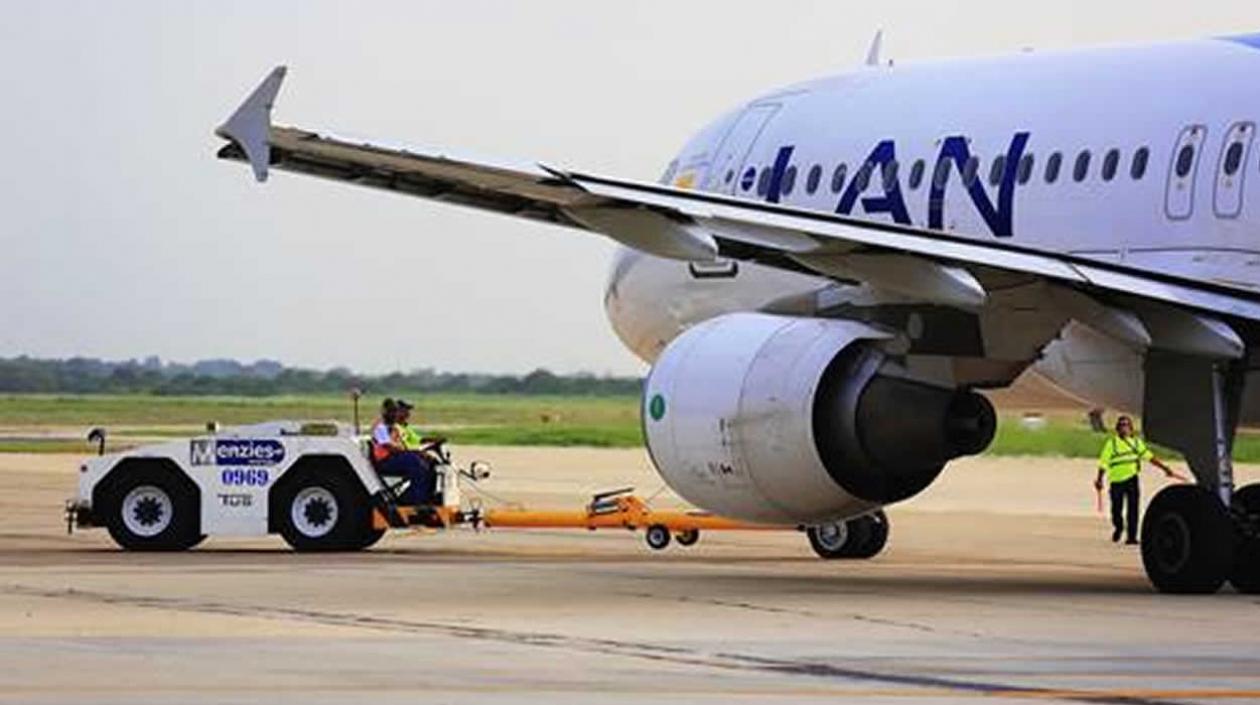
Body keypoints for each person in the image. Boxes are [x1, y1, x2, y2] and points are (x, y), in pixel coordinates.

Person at [1094, 415, 1188, 544]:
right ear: (1118, 429)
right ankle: (1119, 527)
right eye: (1122, 426)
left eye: (1127, 425)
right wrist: (1099, 479)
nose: (1125, 428)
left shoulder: (1136, 443)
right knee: (1116, 509)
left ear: (1131, 428)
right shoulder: (1112, 444)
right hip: (1116, 481)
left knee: (1133, 508)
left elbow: (1149, 457)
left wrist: (1165, 468)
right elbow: (1103, 463)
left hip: (1132, 479)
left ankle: (1131, 537)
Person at [370, 398, 435, 505]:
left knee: (427, 463)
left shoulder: (394, 427)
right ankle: (415, 501)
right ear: (384, 412)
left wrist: (419, 453)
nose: (394, 414)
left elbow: (403, 445)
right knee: (414, 463)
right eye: (391, 411)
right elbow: (388, 446)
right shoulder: (380, 427)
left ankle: (423, 497)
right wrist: (411, 452)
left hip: (394, 457)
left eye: (395, 411)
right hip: (385, 461)